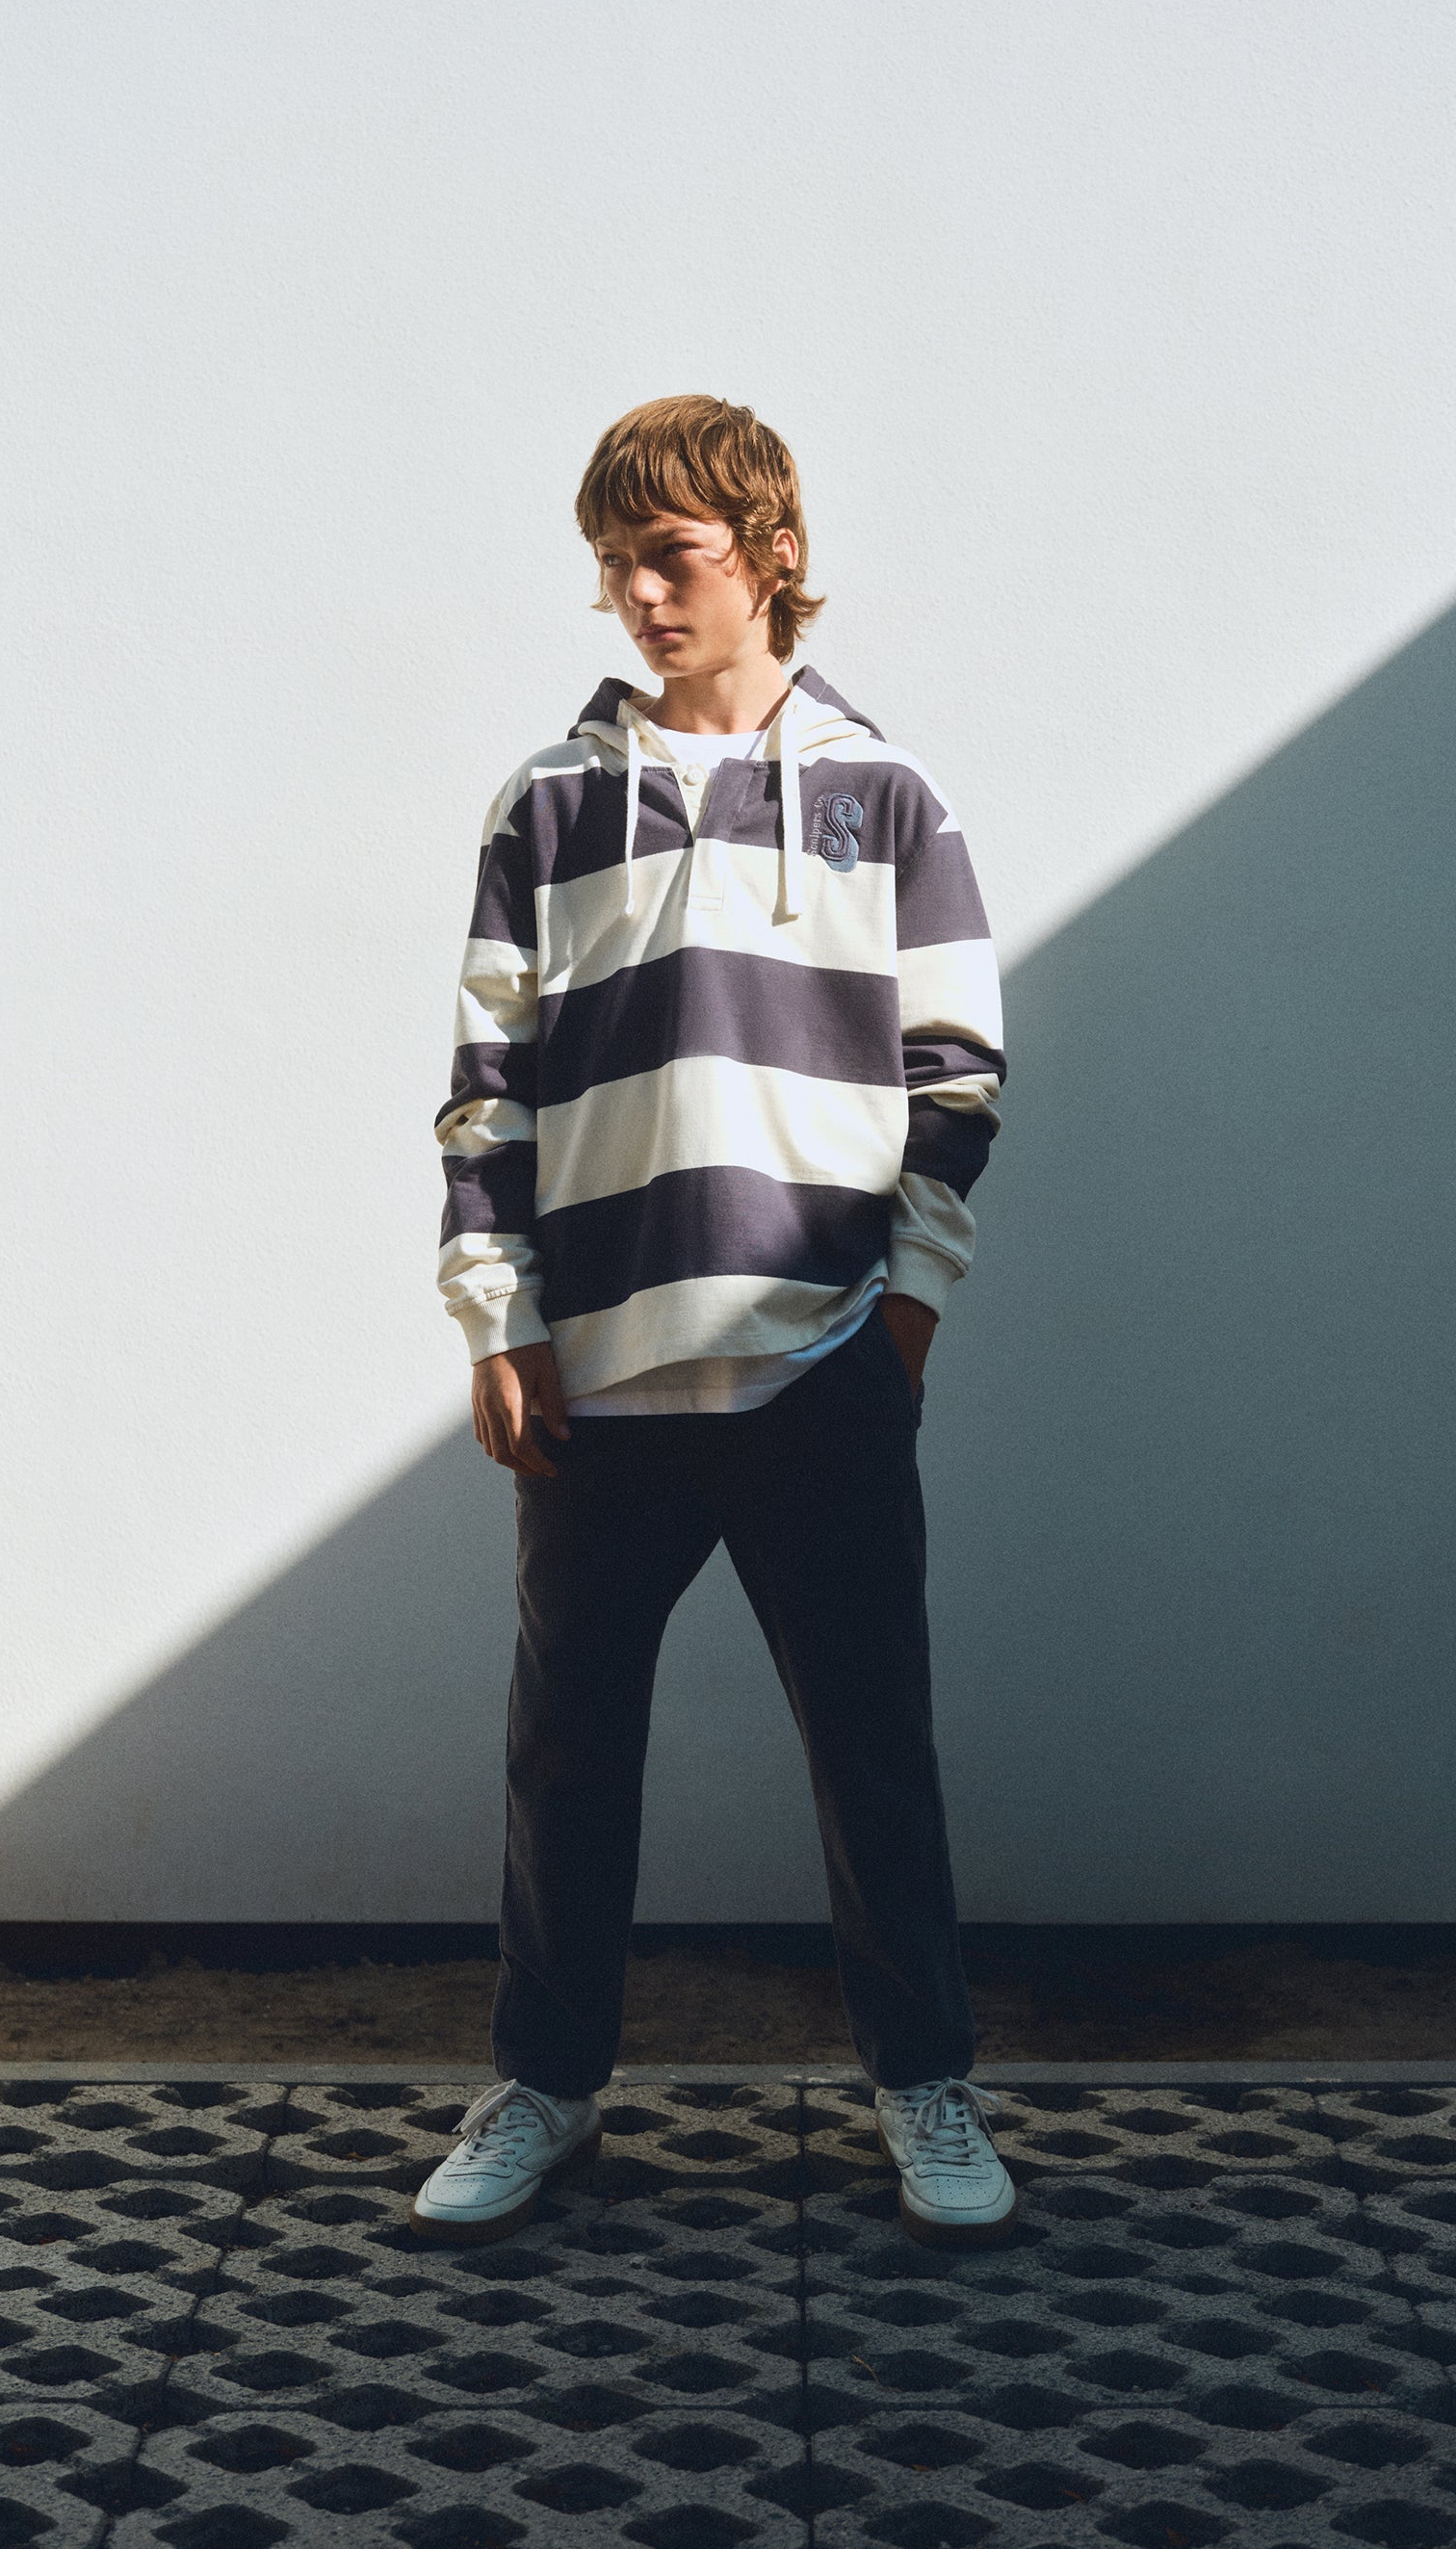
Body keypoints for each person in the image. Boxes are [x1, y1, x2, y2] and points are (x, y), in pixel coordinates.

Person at [413, 394, 1014, 2250]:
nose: (640, 594)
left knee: (874, 1746)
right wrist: (497, 1318)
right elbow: (489, 1094)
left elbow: (958, 1075)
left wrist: (906, 1311)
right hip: (601, 1378)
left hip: (821, 1361)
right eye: (614, 565)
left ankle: (924, 2086)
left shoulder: (886, 795)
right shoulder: (547, 804)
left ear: (770, 552)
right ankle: (547, 2084)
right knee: (566, 1752)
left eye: (670, 555)